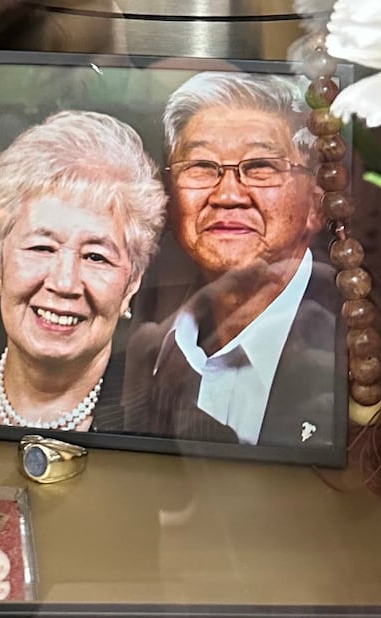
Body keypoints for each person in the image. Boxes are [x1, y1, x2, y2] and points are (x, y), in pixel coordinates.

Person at [123, 72, 338, 449]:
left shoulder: (353, 344)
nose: (228, 195)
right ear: (169, 202)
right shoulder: (129, 344)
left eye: (261, 167)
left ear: (316, 207)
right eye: (202, 167)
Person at [0, 110, 166, 432]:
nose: (64, 283)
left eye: (95, 257)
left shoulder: (176, 427)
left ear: (132, 283)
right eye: (41, 248)